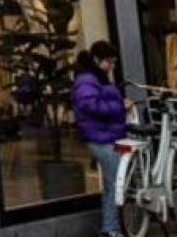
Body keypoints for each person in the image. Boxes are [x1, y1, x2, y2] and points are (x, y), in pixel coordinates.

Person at [73, 40, 131, 237]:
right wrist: (120, 106)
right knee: (114, 183)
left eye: (114, 62)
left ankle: (111, 228)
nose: (112, 66)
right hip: (100, 139)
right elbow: (91, 107)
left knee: (112, 182)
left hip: (107, 137)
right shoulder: (87, 79)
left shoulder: (98, 77)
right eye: (109, 62)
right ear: (97, 60)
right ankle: (110, 229)